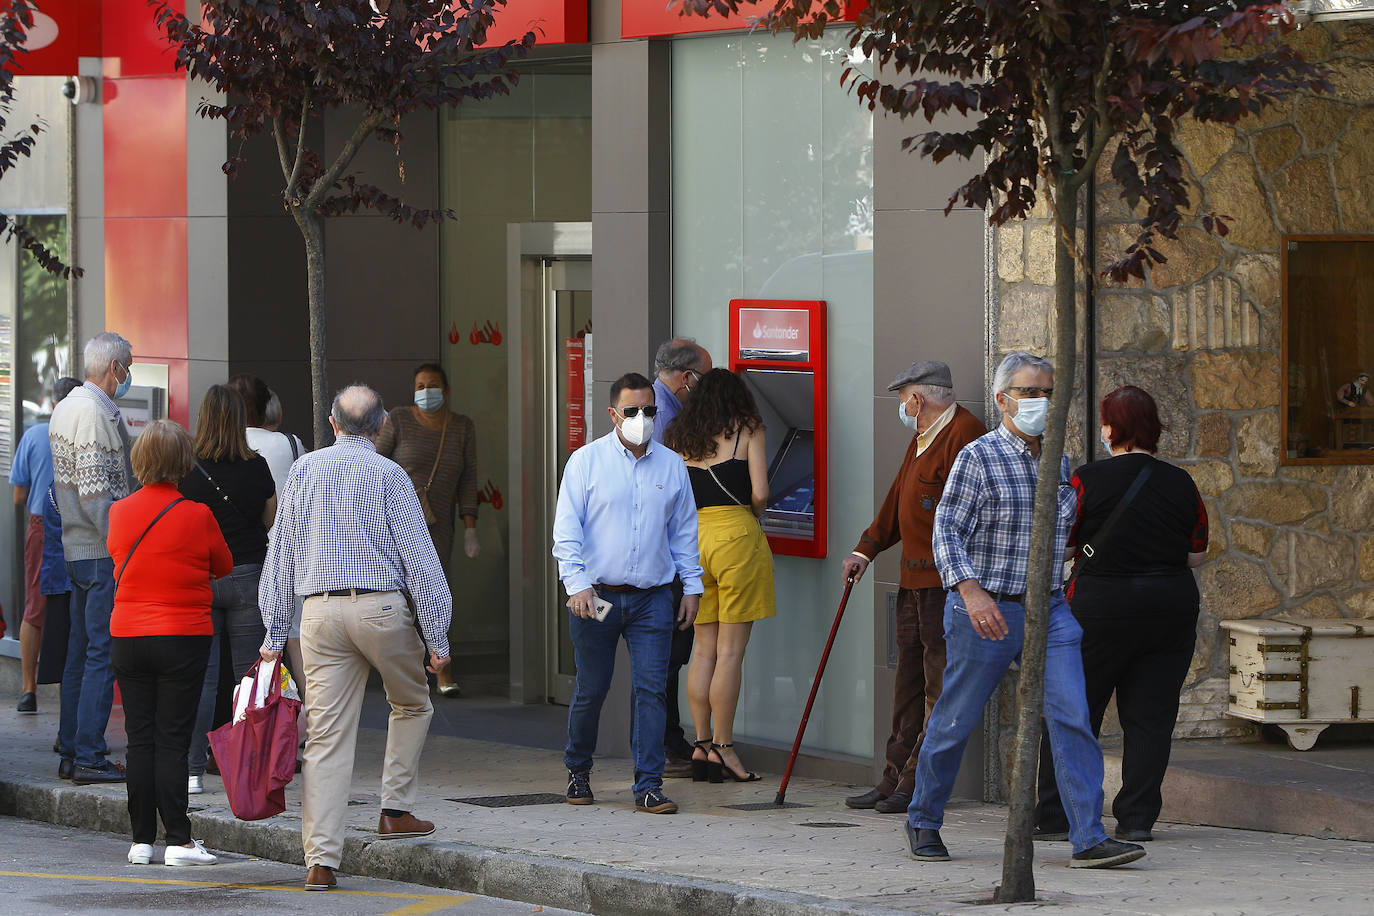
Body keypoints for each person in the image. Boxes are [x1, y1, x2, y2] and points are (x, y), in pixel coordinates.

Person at [906, 351, 1145, 869]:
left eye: (1048, 393)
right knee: (956, 718)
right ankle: (924, 818)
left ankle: (1087, 837)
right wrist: (971, 593)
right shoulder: (978, 457)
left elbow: (1055, 537)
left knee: (1073, 718)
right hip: (986, 611)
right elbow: (945, 531)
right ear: (1002, 399)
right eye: (1030, 392)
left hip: (1049, 609)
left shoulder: (1057, 460)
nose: (1041, 402)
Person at [259, 385, 452, 893]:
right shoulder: (390, 475)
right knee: (412, 704)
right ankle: (395, 809)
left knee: (325, 735)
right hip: (379, 606)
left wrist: (274, 633)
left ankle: (320, 861)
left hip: (319, 612)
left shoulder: (304, 471)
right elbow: (421, 561)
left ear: (332, 421)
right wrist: (438, 637)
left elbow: (282, 553)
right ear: (382, 423)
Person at [1034, 385, 1209, 843]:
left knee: (1074, 709)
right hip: (1169, 606)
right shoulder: (1182, 483)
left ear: (1110, 429)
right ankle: (1136, 818)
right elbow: (1196, 555)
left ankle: (1055, 814)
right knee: (1150, 717)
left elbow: (1065, 545)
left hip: (1098, 607)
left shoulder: (1087, 480)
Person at [552, 372, 703, 815]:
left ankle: (649, 785)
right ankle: (578, 769)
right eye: (633, 411)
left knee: (652, 690)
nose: (642, 418)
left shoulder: (672, 464)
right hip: (595, 597)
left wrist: (691, 588)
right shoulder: (585, 461)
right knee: (592, 688)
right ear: (614, 414)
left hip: (653, 598)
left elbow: (684, 534)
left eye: (649, 411)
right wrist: (576, 584)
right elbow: (567, 531)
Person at [841, 361, 986, 814]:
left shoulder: (964, 434)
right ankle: (891, 777)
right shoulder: (922, 437)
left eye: (903, 398)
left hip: (945, 584)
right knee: (907, 682)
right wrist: (865, 550)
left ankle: (914, 783)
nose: (901, 407)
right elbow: (897, 499)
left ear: (917, 399)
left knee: (937, 688)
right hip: (913, 581)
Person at [109, 419, 232, 867]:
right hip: (183, 636)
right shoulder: (197, 514)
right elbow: (224, 564)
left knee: (138, 738)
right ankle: (178, 840)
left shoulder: (118, 512)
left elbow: (117, 556)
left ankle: (141, 841)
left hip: (128, 635)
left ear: (140, 461)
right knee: (173, 738)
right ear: (183, 463)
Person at [664, 368, 775, 783]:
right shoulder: (748, 429)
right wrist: (753, 514)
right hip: (735, 538)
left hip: (694, 541)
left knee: (703, 650)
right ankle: (725, 749)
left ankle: (701, 744)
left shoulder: (679, 435)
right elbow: (760, 493)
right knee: (730, 653)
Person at [181, 385, 278, 796]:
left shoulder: (189, 469)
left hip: (203, 578)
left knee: (202, 679)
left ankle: (191, 772)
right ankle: (250, 770)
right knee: (247, 680)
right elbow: (271, 518)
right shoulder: (256, 467)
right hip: (248, 576)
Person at [50, 332, 137, 785]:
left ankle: (73, 748)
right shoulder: (89, 413)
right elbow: (95, 494)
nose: (129, 374)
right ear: (113, 368)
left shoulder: (74, 406)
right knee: (100, 653)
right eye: (128, 365)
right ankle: (87, 753)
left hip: (79, 549)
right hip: (100, 551)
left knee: (81, 651)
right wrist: (123, 547)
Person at [375, 363, 479, 698]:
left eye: (432, 385)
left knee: (433, 595)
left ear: (446, 392)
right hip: (396, 524)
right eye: (419, 385)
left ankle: (442, 669)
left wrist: (470, 528)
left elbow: (468, 479)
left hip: (439, 527)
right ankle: (408, 670)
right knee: (401, 596)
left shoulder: (462, 427)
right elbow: (376, 463)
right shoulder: (399, 420)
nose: (425, 391)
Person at [650, 338, 713, 774]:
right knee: (668, 656)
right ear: (686, 377)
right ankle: (666, 743)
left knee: (672, 655)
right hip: (664, 556)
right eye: (703, 376)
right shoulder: (658, 416)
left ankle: (668, 740)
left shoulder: (672, 410)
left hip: (674, 553)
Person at [227, 374, 307, 701]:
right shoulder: (290, 444)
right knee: (296, 641)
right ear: (266, 408)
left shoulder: (223, 448)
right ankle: (309, 724)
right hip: (290, 555)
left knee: (251, 653)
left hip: (243, 560)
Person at [10, 381, 63, 713]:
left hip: (41, 527)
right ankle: (68, 689)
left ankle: (28, 689)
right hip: (82, 530)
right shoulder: (87, 433)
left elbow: (18, 495)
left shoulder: (33, 435)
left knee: (34, 608)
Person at [35, 379, 83, 702]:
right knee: (76, 656)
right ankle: (74, 736)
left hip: (59, 573)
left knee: (68, 656)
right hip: (75, 574)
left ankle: (69, 735)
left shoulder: (41, 437)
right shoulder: (72, 458)